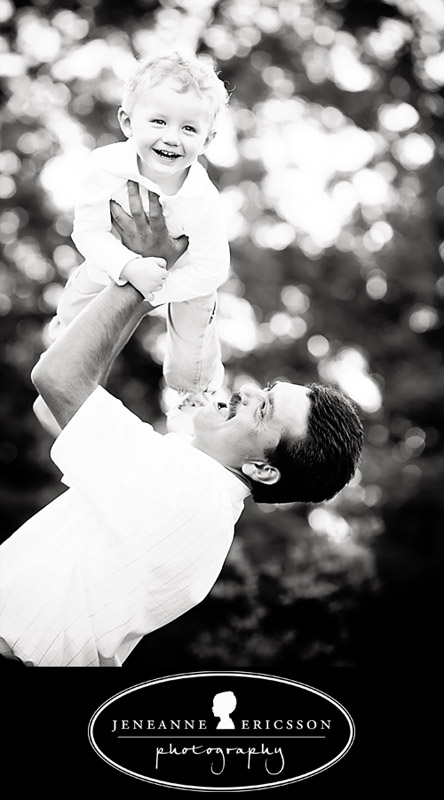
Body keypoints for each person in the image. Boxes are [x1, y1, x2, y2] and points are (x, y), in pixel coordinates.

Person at [0, 188, 363, 668]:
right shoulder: (198, 501)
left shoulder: (184, 490)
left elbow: (57, 378)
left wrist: (143, 276)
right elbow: (55, 410)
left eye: (264, 410)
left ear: (263, 469)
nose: (247, 391)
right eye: (267, 389)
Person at [42, 50, 231, 430]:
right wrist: (127, 267)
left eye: (189, 129)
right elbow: (89, 232)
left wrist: (156, 291)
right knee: (82, 298)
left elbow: (213, 269)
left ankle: (193, 394)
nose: (171, 138)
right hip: (116, 254)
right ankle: (65, 359)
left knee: (194, 332)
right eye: (159, 121)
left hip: (186, 274)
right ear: (128, 122)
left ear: (208, 139)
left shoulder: (202, 197)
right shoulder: (106, 166)